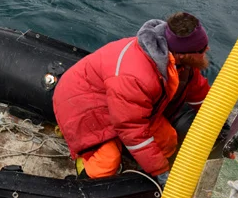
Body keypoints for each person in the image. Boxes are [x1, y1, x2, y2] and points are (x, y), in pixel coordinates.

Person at [53, 12, 211, 183]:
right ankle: (82, 178)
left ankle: (142, 169)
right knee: (107, 162)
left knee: (168, 140)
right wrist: (160, 171)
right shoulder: (137, 77)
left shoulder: (180, 63)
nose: (207, 50)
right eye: (202, 50)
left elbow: (198, 91)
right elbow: (130, 127)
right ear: (184, 54)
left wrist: (221, 124)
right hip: (82, 104)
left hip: (120, 103)